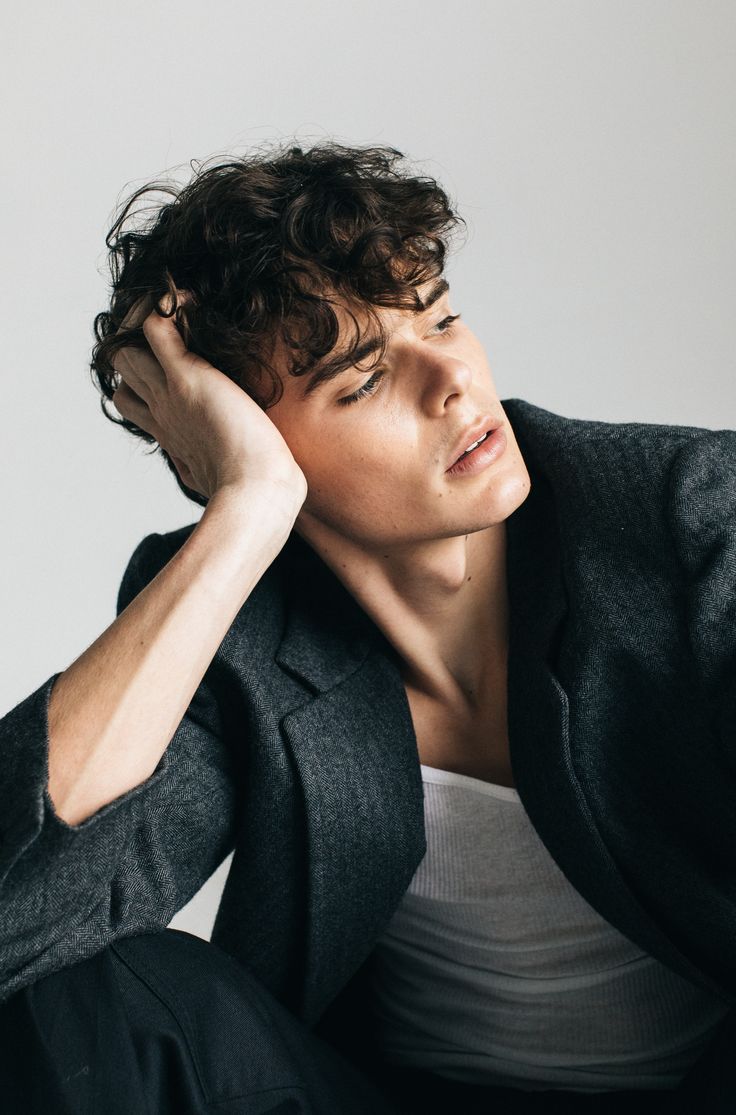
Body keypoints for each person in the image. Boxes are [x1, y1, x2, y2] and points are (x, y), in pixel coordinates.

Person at [0, 141, 734, 1114]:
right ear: (243, 438)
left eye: (440, 316)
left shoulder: (685, 519)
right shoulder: (233, 619)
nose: (452, 380)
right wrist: (246, 512)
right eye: (364, 379)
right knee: (86, 989)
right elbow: (21, 920)